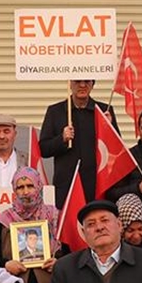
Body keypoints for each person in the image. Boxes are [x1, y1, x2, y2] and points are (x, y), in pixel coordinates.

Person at [38, 79, 119, 208]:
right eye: (77, 81)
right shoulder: (55, 111)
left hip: (97, 186)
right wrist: (62, 139)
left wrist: (108, 129)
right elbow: (43, 149)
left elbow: (117, 152)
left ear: (93, 84)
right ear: (70, 83)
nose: (82, 85)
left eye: (87, 81)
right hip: (67, 187)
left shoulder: (104, 110)